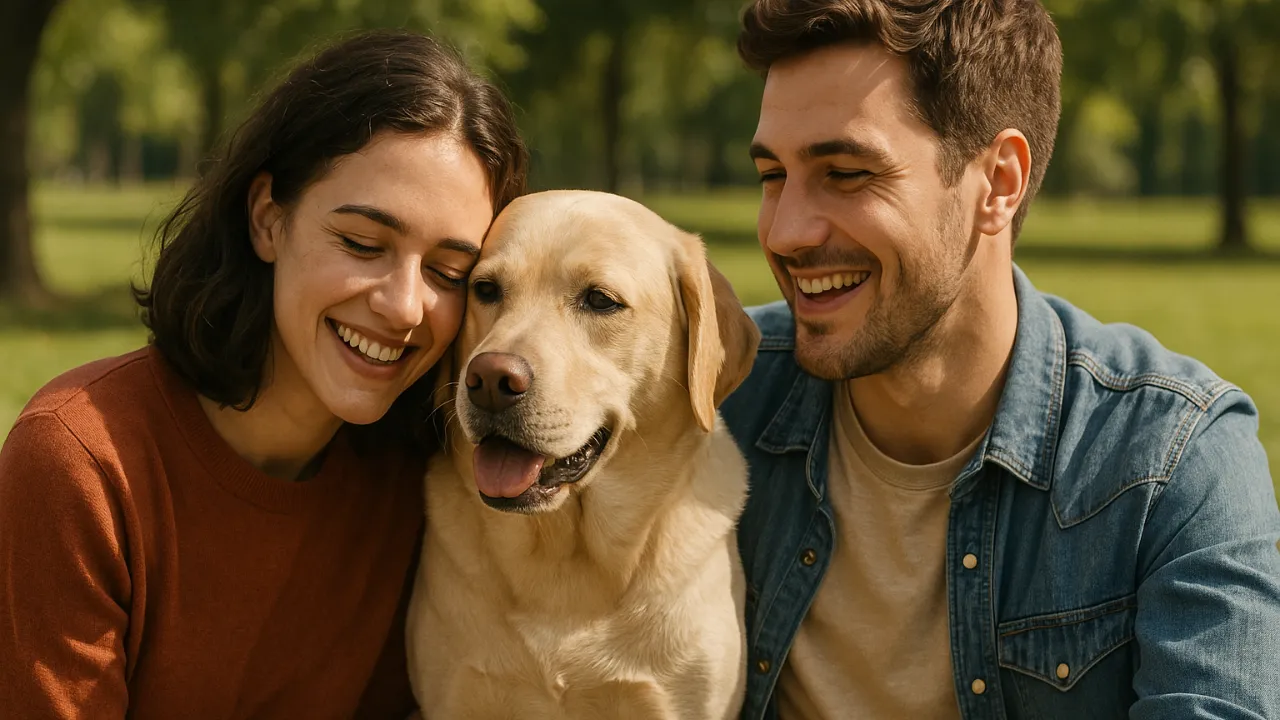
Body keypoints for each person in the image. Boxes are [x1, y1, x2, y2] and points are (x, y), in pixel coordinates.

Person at [718, 1, 1280, 719]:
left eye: (847, 173)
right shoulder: (710, 394)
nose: (786, 231)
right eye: (773, 175)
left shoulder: (1171, 462)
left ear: (1000, 181)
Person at [0, 29, 526, 718]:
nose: (403, 306)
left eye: (448, 273)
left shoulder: (425, 484)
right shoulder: (81, 462)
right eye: (363, 244)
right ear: (268, 220)